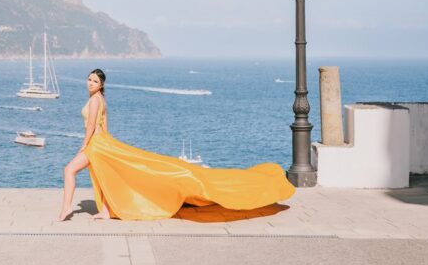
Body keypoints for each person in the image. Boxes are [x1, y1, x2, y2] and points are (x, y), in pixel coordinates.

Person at [58, 69, 296, 221]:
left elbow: (91, 126)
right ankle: (106, 211)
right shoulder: (100, 99)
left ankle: (67, 208)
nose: (90, 83)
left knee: (69, 170)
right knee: (103, 176)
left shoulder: (95, 101)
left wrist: (85, 146)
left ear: (101, 85)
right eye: (89, 79)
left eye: (94, 80)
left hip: (95, 144)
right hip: (102, 144)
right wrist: (108, 146)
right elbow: (106, 127)